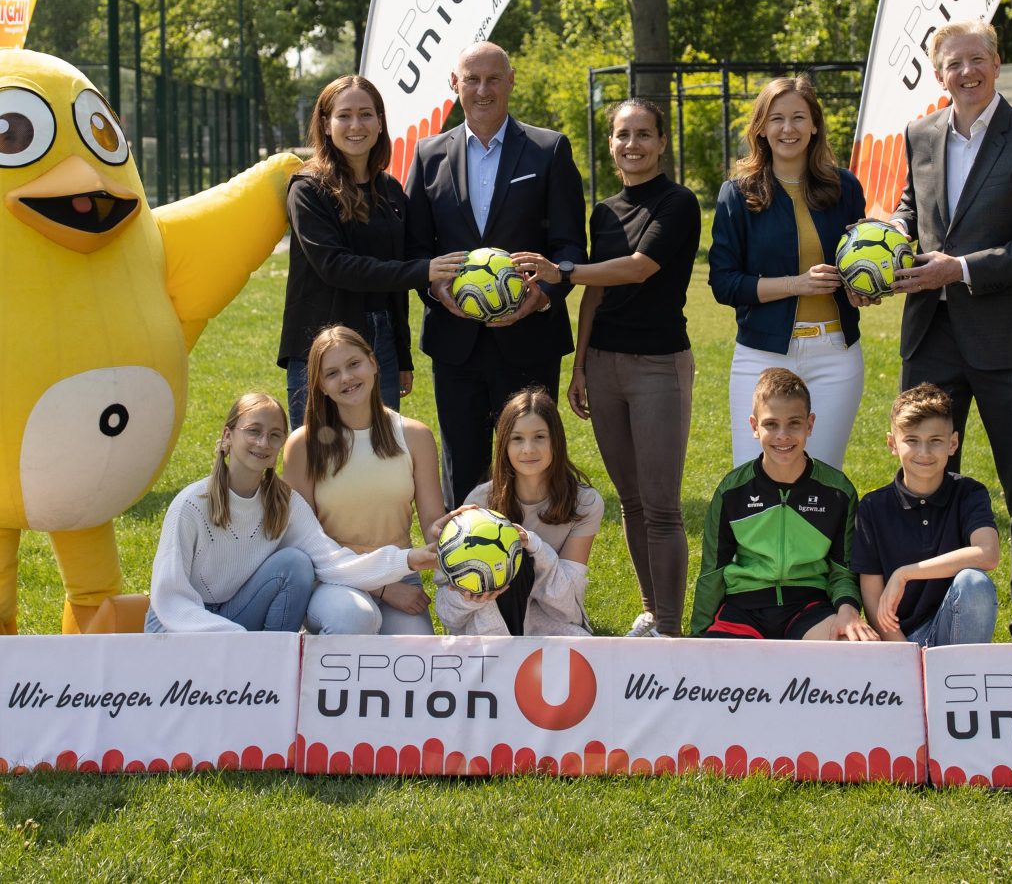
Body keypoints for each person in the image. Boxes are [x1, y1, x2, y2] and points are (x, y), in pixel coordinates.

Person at [889, 18, 1012, 643]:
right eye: (953, 64)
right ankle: (931, 615)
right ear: (938, 75)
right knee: (927, 481)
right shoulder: (920, 135)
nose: (966, 73)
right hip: (931, 336)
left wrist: (960, 268)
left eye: (977, 60)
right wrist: (887, 244)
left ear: (996, 63)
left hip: (1008, 342)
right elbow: (914, 212)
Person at [513, 98, 699, 638]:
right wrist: (580, 365)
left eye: (644, 134)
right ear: (611, 142)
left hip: (659, 364)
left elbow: (640, 269)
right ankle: (649, 611)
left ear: (662, 142)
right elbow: (596, 290)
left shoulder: (678, 203)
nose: (633, 144)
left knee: (662, 505)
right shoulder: (604, 211)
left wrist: (563, 269)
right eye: (622, 134)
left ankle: (669, 627)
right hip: (606, 367)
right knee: (633, 502)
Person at [404, 41, 587, 506]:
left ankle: (533, 568)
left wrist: (542, 294)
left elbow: (569, 244)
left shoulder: (548, 149)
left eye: (492, 79)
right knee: (462, 466)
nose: (482, 90)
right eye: (472, 79)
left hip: (530, 338)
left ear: (511, 80)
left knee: (531, 467)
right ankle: (464, 572)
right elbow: (416, 250)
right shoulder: (428, 156)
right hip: (455, 342)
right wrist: (437, 290)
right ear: (455, 84)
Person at [147, 392, 438, 633]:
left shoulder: (284, 503)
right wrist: (237, 640)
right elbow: (171, 599)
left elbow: (333, 563)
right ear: (227, 435)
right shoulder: (191, 504)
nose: (263, 443)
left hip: (237, 618)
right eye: (253, 431)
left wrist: (408, 559)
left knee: (295, 563)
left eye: (274, 436)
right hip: (179, 624)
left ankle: (276, 671)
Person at [281, 74, 466, 430]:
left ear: (380, 123)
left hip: (379, 347)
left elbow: (393, 283)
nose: (356, 125)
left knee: (379, 458)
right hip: (321, 346)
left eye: (366, 114)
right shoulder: (307, 189)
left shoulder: (391, 191)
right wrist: (424, 270)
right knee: (321, 463)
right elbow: (336, 267)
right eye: (344, 115)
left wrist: (400, 355)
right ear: (325, 123)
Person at [708, 77, 868, 468]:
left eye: (799, 117)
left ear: (815, 124)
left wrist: (862, 289)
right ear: (761, 127)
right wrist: (797, 285)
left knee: (822, 478)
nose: (788, 128)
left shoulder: (844, 187)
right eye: (776, 118)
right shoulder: (739, 192)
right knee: (755, 477)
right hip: (760, 355)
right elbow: (724, 283)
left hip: (836, 354)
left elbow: (858, 263)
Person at [282, 326, 449, 635]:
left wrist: (458, 541)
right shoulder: (303, 445)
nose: (346, 377)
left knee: (417, 656)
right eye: (332, 373)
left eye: (354, 364)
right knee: (355, 618)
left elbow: (432, 523)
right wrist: (380, 590)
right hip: (332, 579)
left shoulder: (415, 436)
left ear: (373, 363)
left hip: (399, 573)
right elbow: (301, 541)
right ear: (319, 385)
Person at [690, 369, 874, 641]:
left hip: (808, 607)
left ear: (810, 424)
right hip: (744, 608)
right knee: (715, 660)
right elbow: (712, 570)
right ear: (754, 427)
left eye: (794, 423)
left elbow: (843, 570)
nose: (783, 435)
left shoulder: (837, 491)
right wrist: (698, 636)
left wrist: (848, 609)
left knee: (850, 643)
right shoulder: (733, 491)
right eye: (771, 424)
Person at [434, 387, 603, 638]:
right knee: (510, 558)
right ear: (504, 444)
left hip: (549, 627)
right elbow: (447, 610)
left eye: (539, 437)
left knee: (519, 556)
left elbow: (568, 607)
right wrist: (469, 599)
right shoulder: (480, 501)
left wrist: (534, 546)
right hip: (490, 631)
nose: (528, 449)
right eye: (517, 439)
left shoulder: (585, 503)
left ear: (556, 440)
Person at [853, 383, 1001, 646]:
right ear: (892, 444)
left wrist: (906, 573)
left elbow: (988, 553)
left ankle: (958, 678)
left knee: (974, 583)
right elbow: (873, 597)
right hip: (901, 638)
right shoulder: (873, 507)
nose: (924, 453)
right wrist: (906, 655)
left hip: (955, 629)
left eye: (935, 441)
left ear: (953, 443)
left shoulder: (968, 492)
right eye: (912, 440)